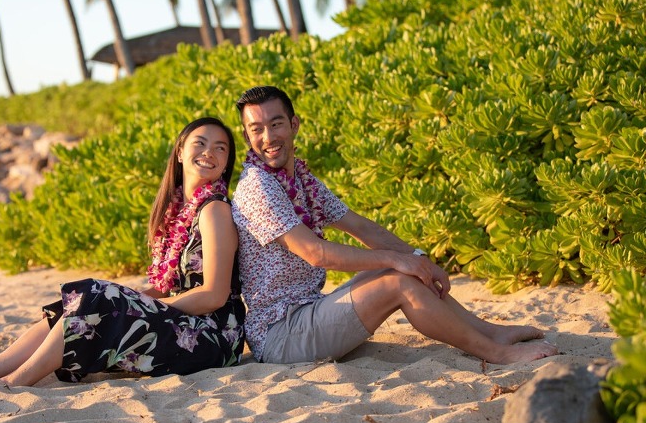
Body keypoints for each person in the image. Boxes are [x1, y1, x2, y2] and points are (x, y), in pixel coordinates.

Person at [230, 85, 559, 366]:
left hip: (310, 308)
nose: (268, 137)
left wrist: (418, 257)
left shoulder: (300, 178)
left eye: (276, 124)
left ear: (294, 124)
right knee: (398, 280)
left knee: (405, 271)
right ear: (247, 136)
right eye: (256, 129)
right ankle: (495, 353)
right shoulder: (257, 188)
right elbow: (316, 253)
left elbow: (362, 227)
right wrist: (395, 259)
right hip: (281, 334)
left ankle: (491, 332)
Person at [0, 117, 245, 386]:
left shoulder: (214, 210)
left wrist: (144, 306)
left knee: (99, 297)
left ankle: (12, 382)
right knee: (86, 301)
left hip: (211, 336)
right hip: (181, 320)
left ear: (227, 160)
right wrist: (133, 297)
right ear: (180, 152)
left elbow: (215, 295)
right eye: (200, 143)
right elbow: (162, 286)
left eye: (221, 148)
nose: (209, 152)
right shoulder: (178, 210)